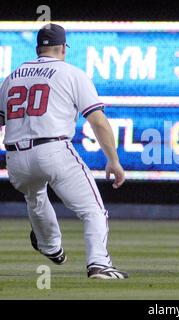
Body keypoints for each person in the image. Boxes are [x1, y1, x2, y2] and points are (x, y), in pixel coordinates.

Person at [0, 23, 128, 279]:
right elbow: (98, 121)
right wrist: (113, 160)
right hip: (52, 148)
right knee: (93, 210)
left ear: (38, 49)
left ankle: (51, 247)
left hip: (15, 156)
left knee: (34, 196)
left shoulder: (12, 76)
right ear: (62, 48)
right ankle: (99, 264)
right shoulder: (70, 73)